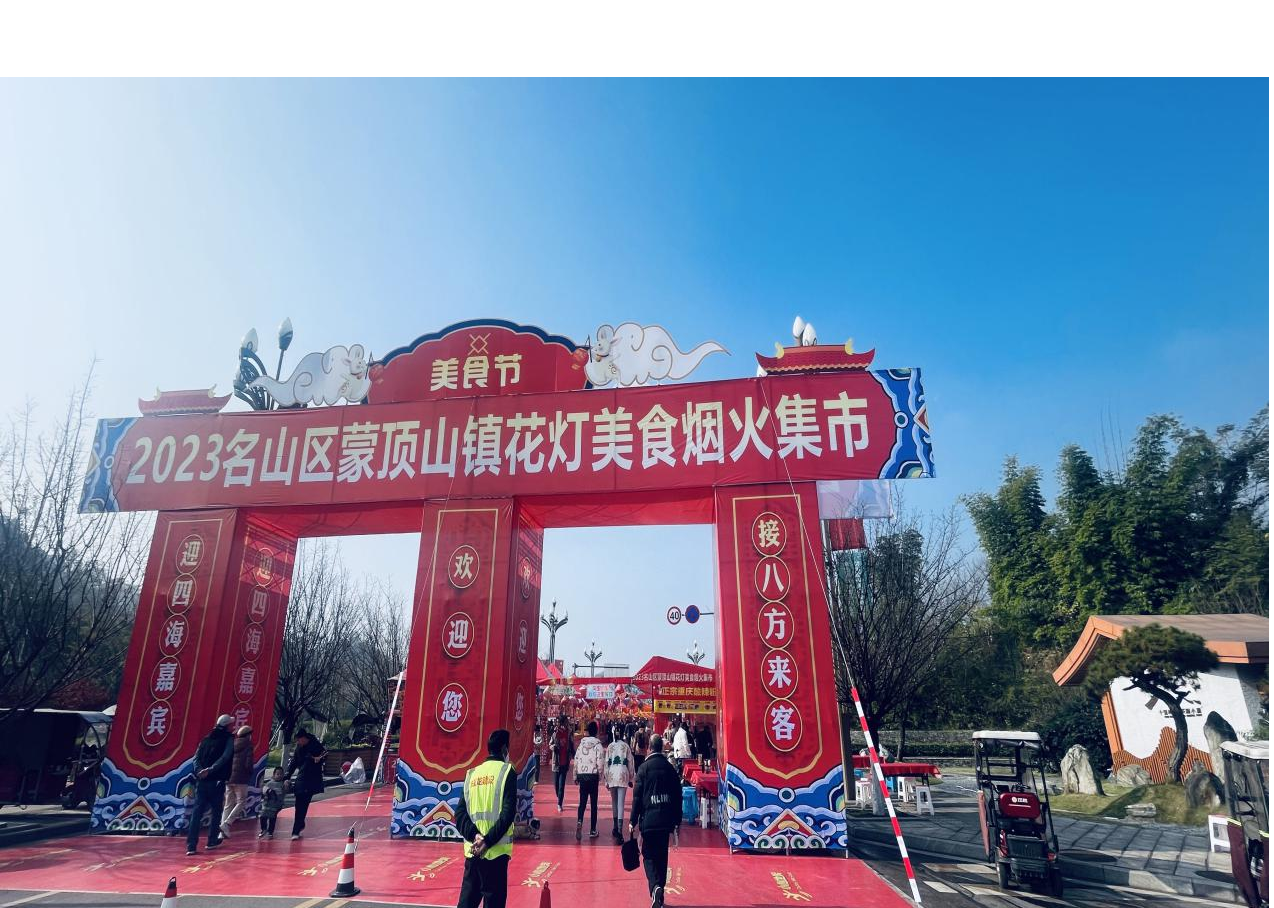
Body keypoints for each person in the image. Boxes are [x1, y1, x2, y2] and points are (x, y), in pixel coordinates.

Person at [455, 729, 517, 908]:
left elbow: (460, 814)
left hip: (473, 851)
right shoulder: (507, 772)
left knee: (467, 902)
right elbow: (507, 814)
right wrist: (487, 841)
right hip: (495, 853)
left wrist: (475, 836)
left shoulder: (472, 774)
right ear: (504, 749)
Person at [630, 736, 682, 908]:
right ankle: (660, 894)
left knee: (648, 856)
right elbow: (677, 796)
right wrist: (677, 821)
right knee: (662, 856)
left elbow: (637, 797)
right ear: (661, 748)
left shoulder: (643, 769)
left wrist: (632, 820)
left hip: (649, 820)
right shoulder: (670, 768)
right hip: (665, 820)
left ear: (649, 748)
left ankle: (655, 887)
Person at [185, 714, 235, 856]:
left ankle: (191, 845)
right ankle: (212, 840)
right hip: (216, 780)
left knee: (197, 812)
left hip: (202, 780)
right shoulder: (228, 739)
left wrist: (200, 771)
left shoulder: (206, 739)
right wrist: (210, 770)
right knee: (216, 811)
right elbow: (225, 757)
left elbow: (196, 758)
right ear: (227, 726)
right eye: (231, 724)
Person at [284, 730, 327, 839]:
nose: (298, 742)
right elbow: (294, 762)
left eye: (299, 740)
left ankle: (296, 830)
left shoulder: (315, 745)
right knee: (299, 805)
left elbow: (324, 755)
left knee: (303, 805)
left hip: (312, 779)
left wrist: (319, 759)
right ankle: (299, 824)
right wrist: (287, 775)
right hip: (301, 777)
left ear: (304, 738)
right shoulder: (299, 748)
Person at [219, 724, 254, 838]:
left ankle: (222, 833)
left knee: (228, 805)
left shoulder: (232, 744)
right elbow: (248, 764)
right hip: (241, 779)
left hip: (229, 778)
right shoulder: (248, 745)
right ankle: (227, 823)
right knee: (241, 802)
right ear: (248, 735)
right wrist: (250, 772)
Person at [573, 720, 604, 841]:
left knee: (582, 802)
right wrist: (600, 776)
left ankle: (580, 821)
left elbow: (576, 760)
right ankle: (592, 830)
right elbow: (600, 762)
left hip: (582, 775)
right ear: (596, 731)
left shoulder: (581, 745)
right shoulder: (598, 745)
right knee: (593, 804)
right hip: (593, 776)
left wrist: (575, 776)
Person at [604, 724, 636, 843]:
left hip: (612, 774)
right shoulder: (626, 746)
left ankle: (615, 827)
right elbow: (630, 763)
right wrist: (631, 778)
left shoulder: (610, 746)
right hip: (623, 774)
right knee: (621, 803)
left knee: (614, 802)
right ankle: (620, 831)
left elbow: (606, 763)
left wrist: (606, 779)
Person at [550, 718, 575, 812]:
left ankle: (559, 803)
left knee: (561, 785)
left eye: (565, 723)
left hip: (565, 763)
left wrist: (574, 755)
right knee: (556, 785)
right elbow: (550, 744)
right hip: (556, 763)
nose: (564, 725)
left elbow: (572, 746)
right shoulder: (555, 733)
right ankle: (559, 796)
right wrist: (553, 747)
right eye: (563, 723)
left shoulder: (569, 734)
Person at [258, 766, 285, 838]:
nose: (279, 776)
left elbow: (285, 792)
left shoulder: (282, 784)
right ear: (274, 775)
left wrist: (288, 785)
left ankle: (270, 832)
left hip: (276, 806)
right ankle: (263, 829)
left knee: (272, 818)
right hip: (267, 804)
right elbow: (264, 790)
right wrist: (268, 791)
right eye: (277, 774)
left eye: (281, 774)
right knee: (263, 816)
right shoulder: (269, 783)